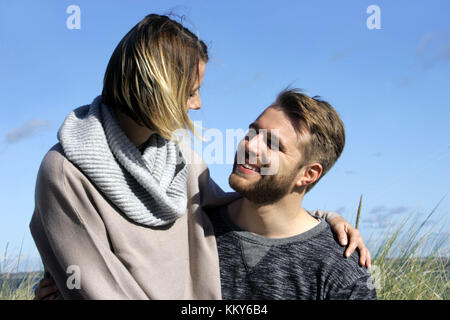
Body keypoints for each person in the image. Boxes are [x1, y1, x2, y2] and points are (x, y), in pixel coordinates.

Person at [31, 14, 370, 300]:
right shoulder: (66, 172)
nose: (197, 105)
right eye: (190, 92)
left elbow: (242, 203)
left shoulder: (181, 158)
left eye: (272, 143)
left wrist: (325, 221)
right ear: (157, 91)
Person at [207, 89, 376, 299]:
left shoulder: (341, 274)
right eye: (252, 132)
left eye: (272, 144)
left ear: (308, 174)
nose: (249, 146)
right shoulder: (193, 225)